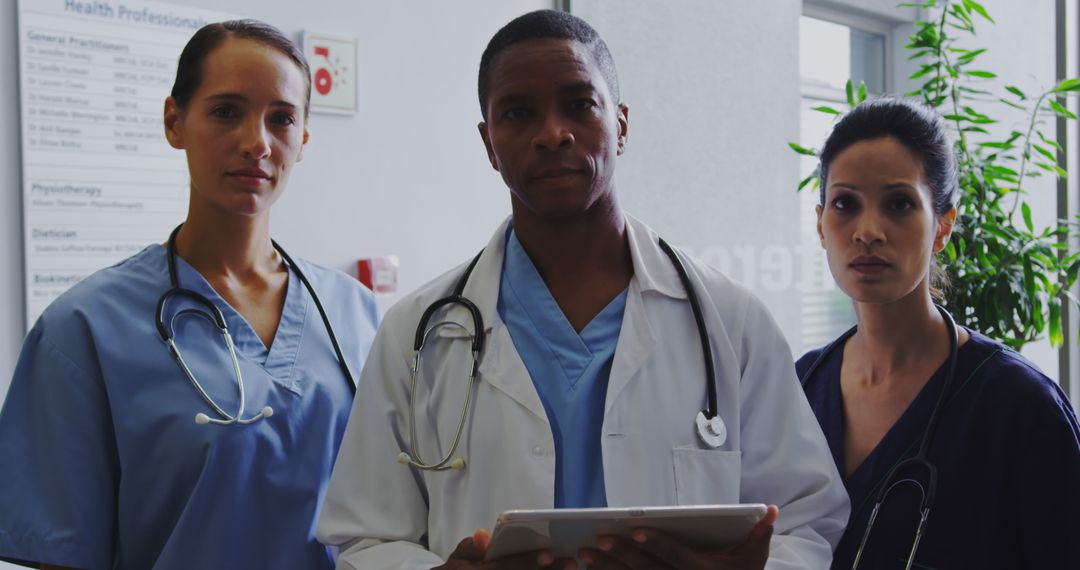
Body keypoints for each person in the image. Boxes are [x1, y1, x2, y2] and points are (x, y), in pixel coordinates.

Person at [317, 10, 847, 570]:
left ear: (620, 124)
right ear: (489, 142)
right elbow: (364, 537)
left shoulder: (731, 322)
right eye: (518, 113)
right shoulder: (417, 334)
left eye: (578, 105)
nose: (552, 134)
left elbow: (806, 519)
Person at [0, 20, 379, 570]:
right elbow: (63, 552)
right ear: (174, 122)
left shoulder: (355, 311)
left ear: (303, 141)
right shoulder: (85, 328)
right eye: (227, 111)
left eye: (282, 119)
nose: (257, 143)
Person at [796, 97, 1080, 569]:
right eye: (845, 204)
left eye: (899, 204)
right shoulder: (798, 388)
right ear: (821, 224)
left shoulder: (1019, 406)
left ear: (943, 226)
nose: (867, 231)